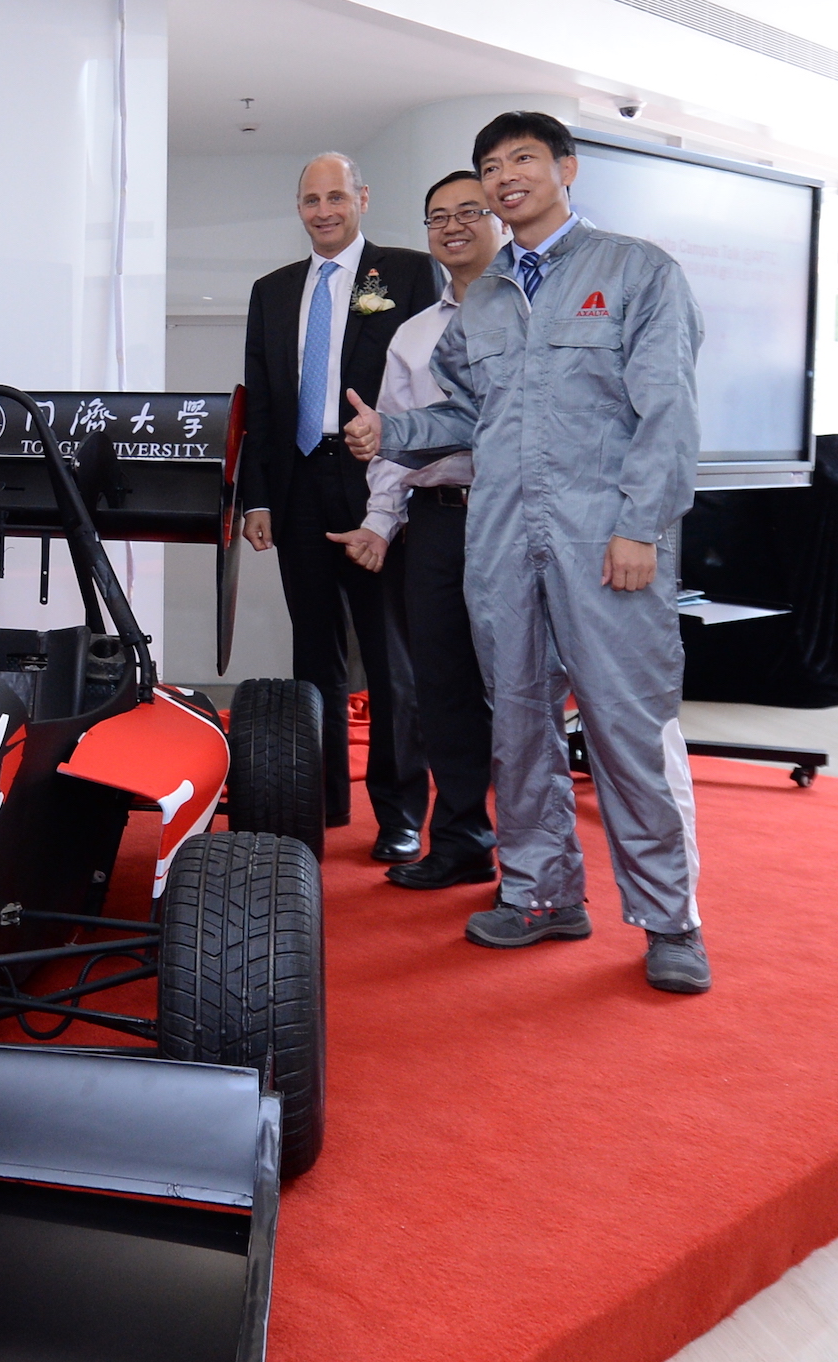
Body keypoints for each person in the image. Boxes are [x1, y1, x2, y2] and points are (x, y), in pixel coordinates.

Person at [344, 111, 710, 993]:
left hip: (604, 539)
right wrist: (389, 430)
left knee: (628, 729)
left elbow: (667, 413)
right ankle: (542, 893)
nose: (505, 177)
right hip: (502, 540)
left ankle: (670, 919)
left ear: (565, 169)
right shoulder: (488, 295)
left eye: (522, 160)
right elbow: (473, 416)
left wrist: (639, 526)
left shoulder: (636, 272)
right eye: (490, 164)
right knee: (517, 724)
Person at [240, 152, 438, 862]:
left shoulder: (408, 272)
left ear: (361, 197)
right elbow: (259, 404)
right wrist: (254, 497)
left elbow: (431, 383)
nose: (322, 210)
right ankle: (316, 801)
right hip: (295, 484)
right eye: (308, 200)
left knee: (389, 659)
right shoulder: (270, 290)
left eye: (334, 196)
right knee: (311, 656)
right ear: (297, 207)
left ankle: (399, 811)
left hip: (375, 482)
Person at [327, 172, 505, 890]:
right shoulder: (413, 331)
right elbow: (393, 440)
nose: (452, 226)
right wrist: (378, 521)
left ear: (501, 221)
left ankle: (535, 853)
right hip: (434, 525)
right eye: (437, 217)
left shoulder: (535, 317)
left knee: (518, 688)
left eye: (470, 212)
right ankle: (462, 838)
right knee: (441, 687)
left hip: (511, 516)